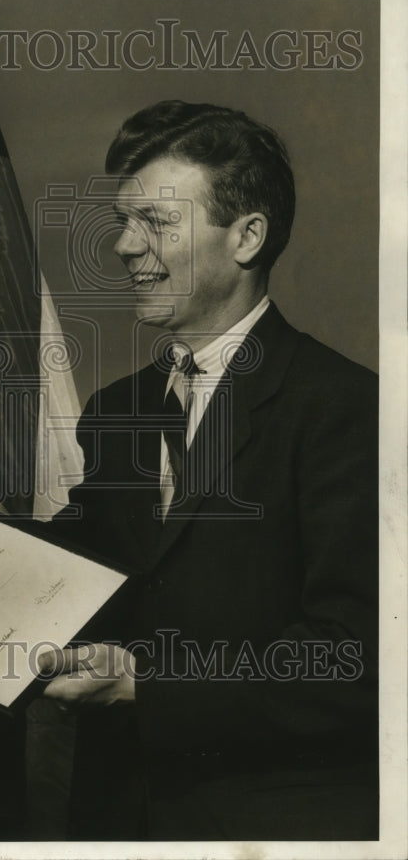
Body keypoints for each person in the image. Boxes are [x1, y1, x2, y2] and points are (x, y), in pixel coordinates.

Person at [33, 100, 379, 840]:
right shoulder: (114, 410)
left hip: (280, 826)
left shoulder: (350, 410)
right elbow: (94, 573)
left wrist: (144, 685)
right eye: (124, 221)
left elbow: (354, 657)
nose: (125, 246)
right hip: (116, 821)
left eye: (155, 222)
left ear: (247, 236)